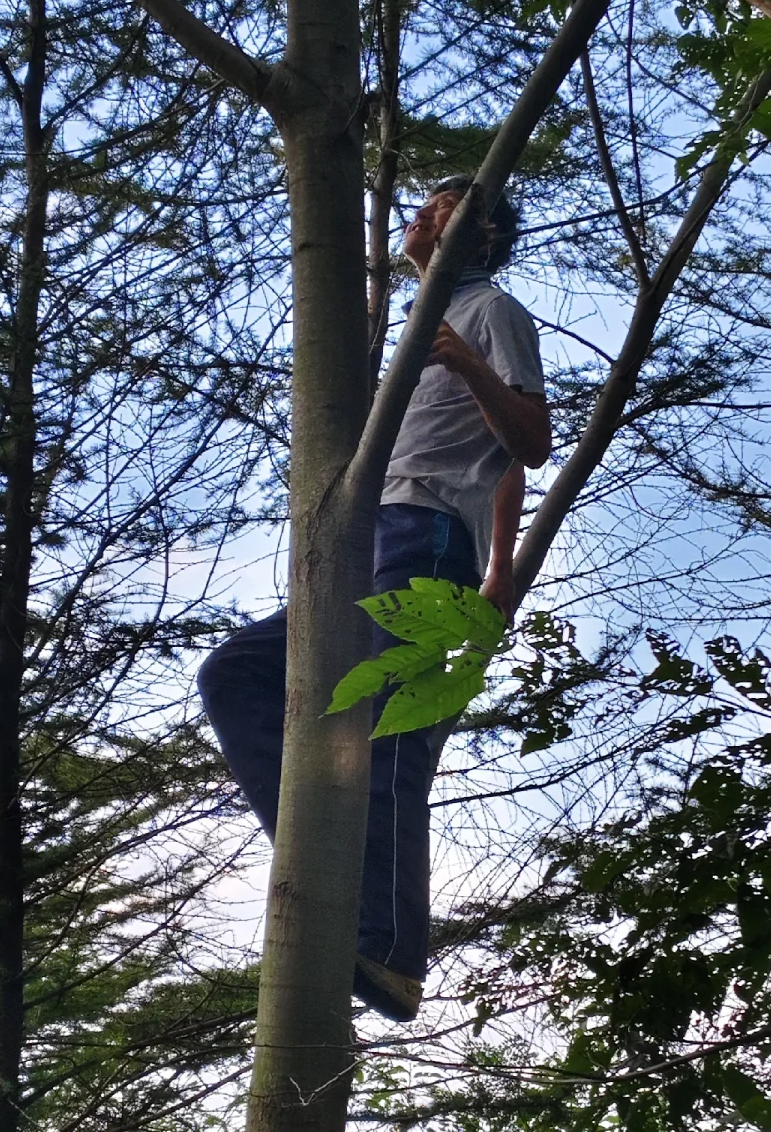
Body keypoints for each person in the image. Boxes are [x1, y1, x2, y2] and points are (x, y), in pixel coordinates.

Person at [198, 176, 550, 1021]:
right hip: (360, 540)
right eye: (426, 202)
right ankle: (323, 868)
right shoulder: (415, 320)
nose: (425, 214)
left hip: (428, 534)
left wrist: (498, 566)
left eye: (449, 208)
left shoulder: (491, 311)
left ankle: (388, 946)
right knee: (236, 674)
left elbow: (529, 442)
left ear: (485, 236)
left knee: (390, 728)